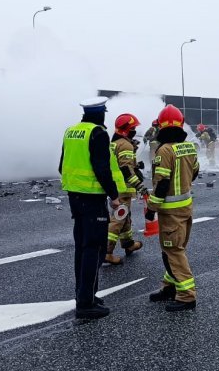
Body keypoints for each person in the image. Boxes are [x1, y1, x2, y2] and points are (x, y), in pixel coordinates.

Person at [59, 97, 122, 319]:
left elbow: (61, 165)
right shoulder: (98, 133)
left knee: (82, 247)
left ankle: (86, 295)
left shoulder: (71, 131)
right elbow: (102, 168)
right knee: (94, 248)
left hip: (74, 197)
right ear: (101, 113)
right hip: (93, 200)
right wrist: (114, 195)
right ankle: (85, 304)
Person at [146, 105, 200, 312]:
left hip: (170, 211)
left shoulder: (164, 150)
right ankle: (170, 287)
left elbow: (161, 183)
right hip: (185, 207)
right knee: (172, 250)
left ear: (161, 126)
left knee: (173, 251)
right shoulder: (189, 147)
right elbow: (195, 172)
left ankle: (187, 296)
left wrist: (151, 207)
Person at [106, 113, 147, 265]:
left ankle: (128, 244)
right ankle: (107, 252)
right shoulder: (125, 145)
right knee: (118, 218)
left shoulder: (115, 143)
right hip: (123, 187)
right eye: (133, 128)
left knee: (125, 216)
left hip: (116, 186)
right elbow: (126, 170)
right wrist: (140, 186)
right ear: (126, 130)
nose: (134, 130)